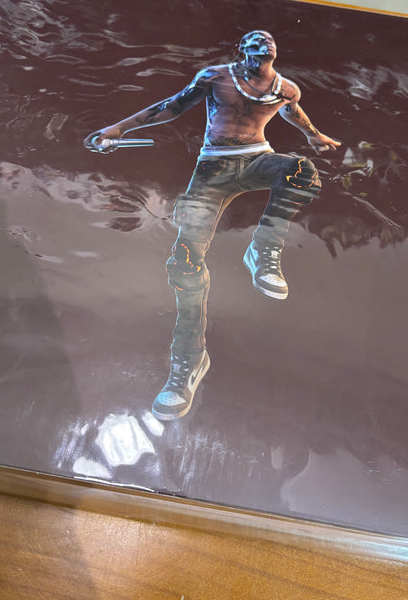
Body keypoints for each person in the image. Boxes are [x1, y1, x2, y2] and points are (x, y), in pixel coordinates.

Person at [88, 30, 341, 421]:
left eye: (268, 44)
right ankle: (189, 360)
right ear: (241, 51)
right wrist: (119, 128)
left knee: (300, 170)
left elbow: (293, 112)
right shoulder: (216, 77)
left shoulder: (286, 88)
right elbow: (172, 106)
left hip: (258, 159)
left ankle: (263, 250)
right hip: (213, 168)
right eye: (254, 44)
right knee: (185, 262)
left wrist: (314, 136)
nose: (262, 47)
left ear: (275, 53)